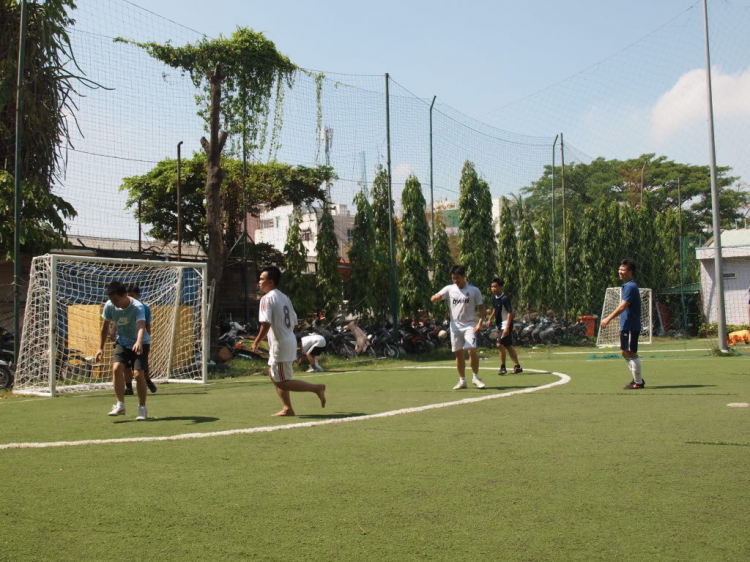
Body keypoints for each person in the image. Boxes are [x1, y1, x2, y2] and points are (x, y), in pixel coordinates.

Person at [251, 266, 326, 416]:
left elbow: (265, 324)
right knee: (275, 376)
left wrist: (256, 341)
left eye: (261, 279)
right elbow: (293, 320)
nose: (259, 282)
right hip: (288, 339)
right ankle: (287, 408)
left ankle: (317, 388)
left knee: (280, 381)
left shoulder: (267, 298)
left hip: (280, 344)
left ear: (271, 282)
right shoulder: (284, 297)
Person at [96, 281, 151, 420]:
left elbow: (141, 326)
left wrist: (138, 342)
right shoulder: (110, 306)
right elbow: (104, 328)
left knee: (138, 375)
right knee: (116, 369)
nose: (113, 302)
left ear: (125, 295)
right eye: (111, 299)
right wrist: (100, 348)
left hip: (141, 343)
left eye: (116, 299)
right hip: (123, 342)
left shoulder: (138, 307)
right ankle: (120, 405)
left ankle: (142, 408)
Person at [430, 265, 487, 390]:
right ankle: (462, 380)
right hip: (455, 326)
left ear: (463, 276)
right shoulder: (449, 289)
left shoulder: (474, 290)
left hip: (470, 325)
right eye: (453, 278)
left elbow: (482, 308)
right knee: (459, 354)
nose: (455, 281)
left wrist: (480, 323)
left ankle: (476, 377)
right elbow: (434, 297)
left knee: (472, 350)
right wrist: (436, 298)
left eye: (457, 278)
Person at [600, 258, 644, 389]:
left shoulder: (631, 286)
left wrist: (608, 318)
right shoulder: (627, 285)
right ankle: (638, 378)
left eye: (623, 270)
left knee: (631, 353)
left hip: (631, 325)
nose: (620, 272)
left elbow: (622, 307)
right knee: (624, 352)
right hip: (626, 325)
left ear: (630, 271)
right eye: (619, 269)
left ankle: (638, 382)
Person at [123, 284, 157, 395]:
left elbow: (147, 326)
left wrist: (147, 341)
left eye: (132, 295)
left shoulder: (144, 308)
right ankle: (128, 388)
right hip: (125, 341)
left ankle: (147, 381)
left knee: (140, 368)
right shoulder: (122, 306)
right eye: (128, 295)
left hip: (140, 341)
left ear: (138, 295)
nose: (130, 298)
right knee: (126, 365)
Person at [486, 278, 522, 375]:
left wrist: (507, 327)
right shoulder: (494, 298)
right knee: (508, 346)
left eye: (495, 286)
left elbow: (510, 312)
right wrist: (490, 319)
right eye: (492, 286)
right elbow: (495, 309)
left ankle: (503, 367)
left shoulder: (504, 298)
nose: (493, 288)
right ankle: (517, 366)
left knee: (499, 344)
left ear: (500, 287)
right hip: (500, 325)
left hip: (505, 325)